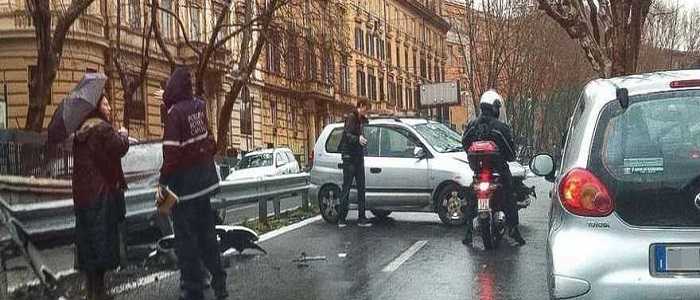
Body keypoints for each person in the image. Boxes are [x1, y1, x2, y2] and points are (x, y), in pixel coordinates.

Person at [159, 66, 228, 300]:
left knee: (186, 241)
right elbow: (211, 141)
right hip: (204, 186)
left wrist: (162, 180)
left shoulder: (174, 114)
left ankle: (192, 290)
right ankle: (219, 281)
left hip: (184, 191)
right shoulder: (199, 106)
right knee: (207, 236)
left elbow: (171, 154)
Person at [72, 94, 128, 300]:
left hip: (82, 197)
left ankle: (91, 292)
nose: (110, 107)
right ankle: (100, 292)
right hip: (101, 194)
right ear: (96, 107)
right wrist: (124, 135)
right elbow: (119, 148)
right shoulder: (103, 129)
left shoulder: (80, 134)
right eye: (105, 103)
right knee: (103, 241)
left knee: (88, 244)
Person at [461, 90, 525, 246]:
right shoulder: (501, 127)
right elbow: (510, 154)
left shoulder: (472, 125)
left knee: (471, 196)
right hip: (498, 172)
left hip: (479, 172)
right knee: (510, 194)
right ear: (495, 107)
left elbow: (464, 144)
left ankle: (468, 231)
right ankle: (513, 229)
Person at [337, 99, 371, 228]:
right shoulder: (351, 118)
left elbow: (363, 127)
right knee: (346, 187)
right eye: (366, 109)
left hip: (358, 157)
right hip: (349, 157)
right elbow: (347, 135)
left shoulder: (360, 119)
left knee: (361, 188)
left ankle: (362, 218)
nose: (366, 112)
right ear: (360, 106)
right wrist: (358, 139)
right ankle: (341, 219)